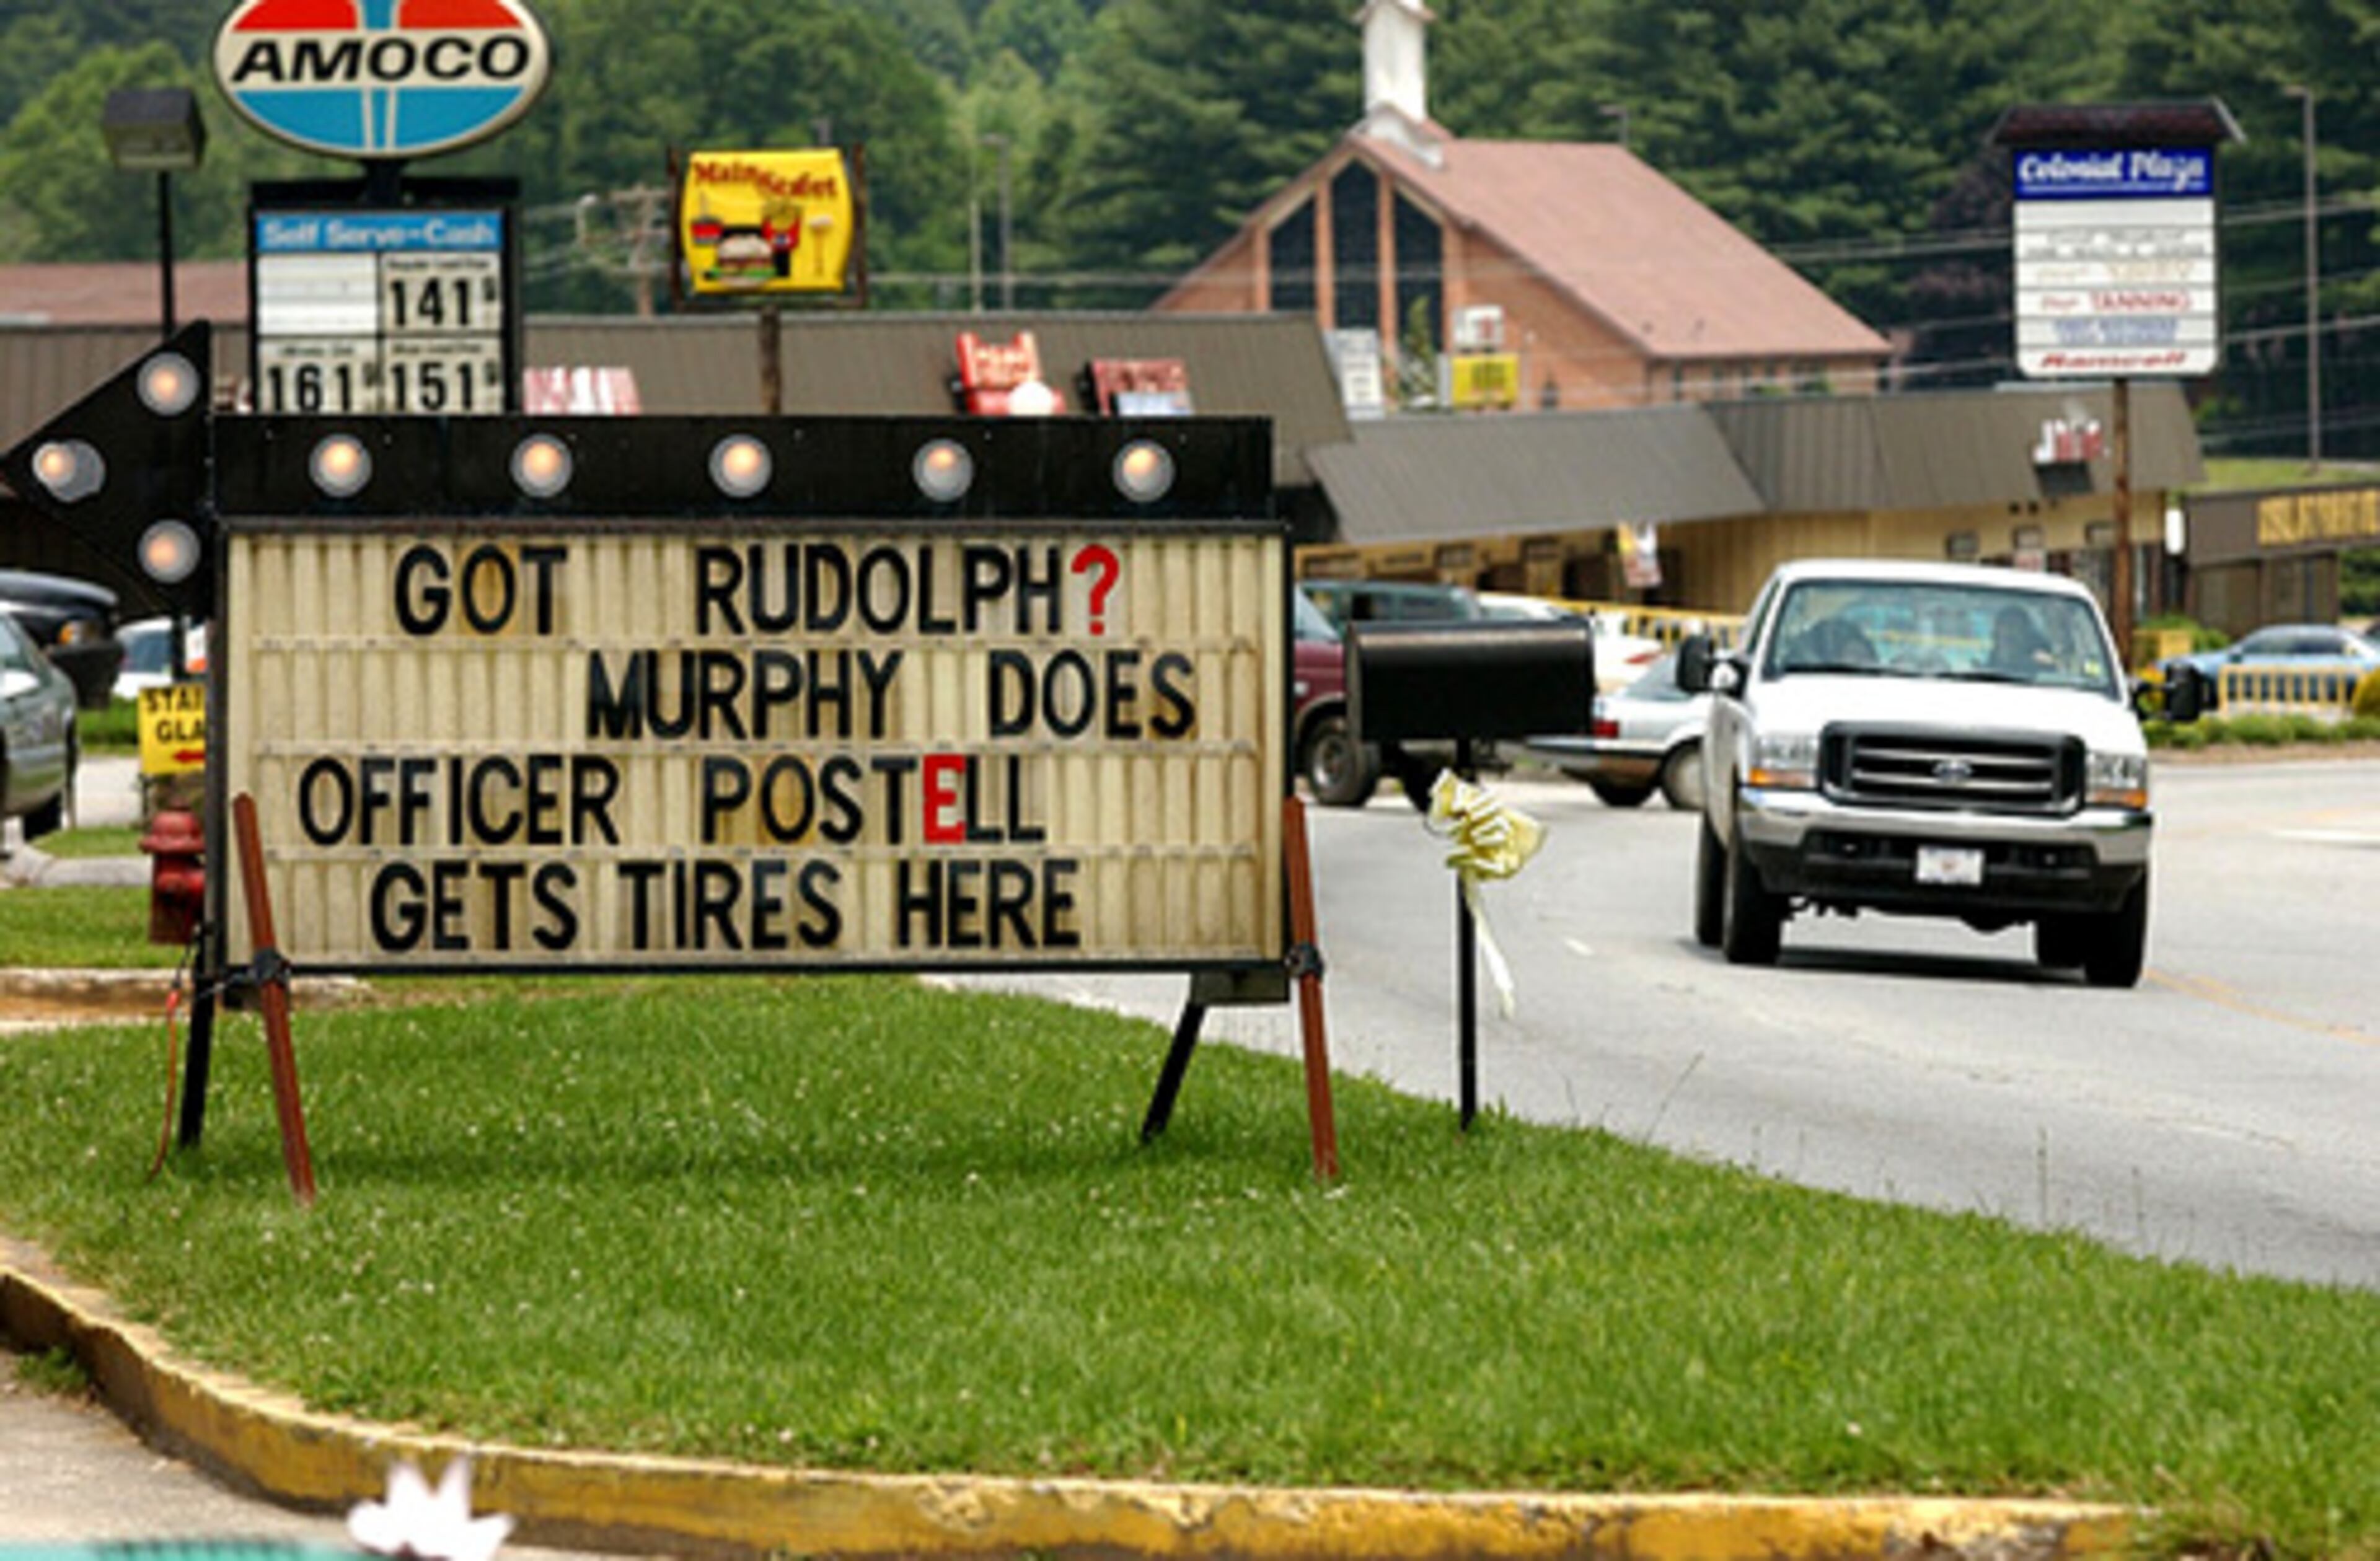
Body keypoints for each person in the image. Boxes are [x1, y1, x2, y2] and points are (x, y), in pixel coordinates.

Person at [1990, 605, 2053, 675]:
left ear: (2025, 635)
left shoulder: (2041, 669)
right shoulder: (1982, 671)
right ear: (1997, 634)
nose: (2010, 631)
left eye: (2015, 626)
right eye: (2006, 626)